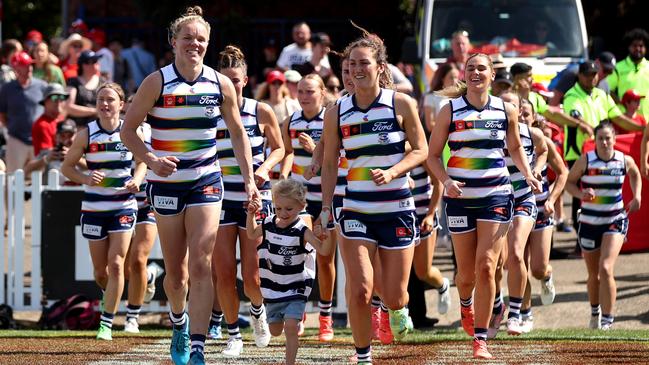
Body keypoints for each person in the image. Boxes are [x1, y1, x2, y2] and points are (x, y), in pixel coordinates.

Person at [120, 7, 259, 365]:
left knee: (201, 263)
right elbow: (127, 130)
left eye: (201, 39)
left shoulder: (220, 83)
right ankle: (179, 321)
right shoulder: (157, 82)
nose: (194, 44)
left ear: (207, 44)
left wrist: (249, 180)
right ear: (173, 42)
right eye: (188, 38)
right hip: (166, 185)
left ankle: (197, 345)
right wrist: (151, 161)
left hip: (206, 182)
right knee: (176, 274)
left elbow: (239, 133)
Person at [320, 28, 428, 364]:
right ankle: (363, 354)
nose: (356, 69)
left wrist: (394, 172)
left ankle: (395, 310)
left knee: (395, 295)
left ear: (380, 67)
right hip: (355, 208)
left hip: (396, 207)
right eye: (351, 64)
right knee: (360, 288)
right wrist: (326, 207)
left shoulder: (401, 103)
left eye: (364, 63)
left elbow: (423, 150)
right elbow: (328, 162)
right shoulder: (337, 111)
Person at [427, 53, 541, 359]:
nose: (475, 72)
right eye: (470, 68)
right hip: (461, 199)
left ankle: (481, 337)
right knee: (466, 276)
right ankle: (466, 304)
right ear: (465, 75)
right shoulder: (449, 110)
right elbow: (432, 155)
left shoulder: (506, 110)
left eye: (481, 68)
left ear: (491, 75)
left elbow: (515, 147)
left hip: (496, 196)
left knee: (487, 265)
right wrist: (446, 181)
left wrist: (528, 174)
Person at [209, 45, 284, 356]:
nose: (232, 84)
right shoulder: (210, 112)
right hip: (219, 197)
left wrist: (265, 168)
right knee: (223, 272)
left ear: (245, 80)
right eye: (225, 79)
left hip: (255, 196)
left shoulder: (260, 110)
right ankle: (232, 334)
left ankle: (257, 311)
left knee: (252, 277)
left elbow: (280, 148)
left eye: (236, 79)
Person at [61, 82, 144, 341]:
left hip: (123, 206)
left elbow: (143, 161)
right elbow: (67, 167)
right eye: (100, 100)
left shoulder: (130, 132)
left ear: (121, 104)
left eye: (110, 99)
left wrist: (137, 179)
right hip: (94, 208)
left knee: (117, 263)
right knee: (101, 272)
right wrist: (85, 178)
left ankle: (106, 323)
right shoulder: (86, 134)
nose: (105, 104)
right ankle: (111, 299)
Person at [245, 179, 332, 365]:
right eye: (278, 208)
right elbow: (251, 234)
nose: (283, 214)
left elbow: (323, 250)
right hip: (272, 288)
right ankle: (272, 319)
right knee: (276, 330)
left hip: (296, 288)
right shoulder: (268, 224)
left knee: (291, 327)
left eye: (289, 209)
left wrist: (327, 235)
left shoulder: (302, 231)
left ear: (302, 206)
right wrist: (251, 214)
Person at [565, 121, 641, 330]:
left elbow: (635, 173)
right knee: (594, 275)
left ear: (615, 140)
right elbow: (568, 182)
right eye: (601, 138)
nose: (605, 142)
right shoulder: (586, 161)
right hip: (589, 222)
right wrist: (581, 194)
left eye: (608, 138)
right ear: (595, 141)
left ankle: (607, 319)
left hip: (615, 220)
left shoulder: (623, 160)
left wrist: (637, 196)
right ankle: (595, 311)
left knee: (606, 268)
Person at [280, 73, 338, 342]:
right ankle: (298, 312)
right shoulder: (291, 120)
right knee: (298, 253)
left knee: (325, 258)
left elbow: (340, 157)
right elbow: (284, 150)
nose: (304, 96)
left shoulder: (331, 117)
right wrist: (282, 176)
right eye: (301, 91)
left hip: (327, 196)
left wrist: (315, 148)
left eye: (310, 91)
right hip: (300, 198)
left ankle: (325, 317)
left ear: (322, 93)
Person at [563, 60, 642, 235]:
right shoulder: (571, 95)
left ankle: (606, 231)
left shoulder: (602, 94)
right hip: (578, 152)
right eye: (587, 75)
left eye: (594, 75)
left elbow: (618, 118)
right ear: (580, 76)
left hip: (602, 150)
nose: (591, 78)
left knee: (602, 190)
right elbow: (575, 117)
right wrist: (586, 127)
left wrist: (643, 129)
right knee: (580, 194)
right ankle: (580, 236)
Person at [503, 97, 548, 336]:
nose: (506, 107)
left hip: (523, 199)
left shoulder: (532, 134)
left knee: (517, 252)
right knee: (495, 264)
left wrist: (537, 169)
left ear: (519, 109)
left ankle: (516, 314)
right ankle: (497, 308)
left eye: (511, 103)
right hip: (495, 203)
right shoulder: (490, 135)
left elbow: (543, 151)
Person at [520, 115, 568, 333]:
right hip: (516, 209)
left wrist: (551, 200)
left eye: (526, 113)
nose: (521, 117)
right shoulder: (504, 138)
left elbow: (563, 172)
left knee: (537, 268)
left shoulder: (542, 141)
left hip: (540, 210)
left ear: (533, 117)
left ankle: (546, 276)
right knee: (518, 262)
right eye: (519, 113)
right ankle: (525, 313)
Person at [122, 95, 159, 334]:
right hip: (122, 201)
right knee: (122, 267)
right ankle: (151, 275)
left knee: (137, 259)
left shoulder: (157, 130)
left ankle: (132, 317)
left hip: (148, 200)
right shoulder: (118, 130)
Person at [0, 51, 48, 173]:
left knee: (39, 180)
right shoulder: (7, 89)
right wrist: (11, 127)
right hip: (16, 139)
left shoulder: (42, 86)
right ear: (16, 68)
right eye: (25, 64)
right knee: (12, 179)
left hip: (38, 140)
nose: (29, 67)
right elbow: (2, 114)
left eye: (30, 64)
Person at [25, 119, 81, 186]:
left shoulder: (81, 153)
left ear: (76, 136)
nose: (66, 140)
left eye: (70, 136)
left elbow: (92, 167)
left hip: (77, 194)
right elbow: (27, 170)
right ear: (56, 137)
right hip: (51, 194)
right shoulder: (48, 153)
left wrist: (74, 158)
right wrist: (46, 159)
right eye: (62, 136)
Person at [607, 28, 649, 117]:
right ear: (629, 47)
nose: (638, 49)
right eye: (634, 45)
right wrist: (620, 103)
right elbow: (607, 89)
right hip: (627, 120)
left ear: (645, 48)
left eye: (641, 46)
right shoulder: (618, 68)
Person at [66, 50, 104, 126]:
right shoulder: (73, 82)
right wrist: (94, 111)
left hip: (99, 128)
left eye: (96, 61)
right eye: (93, 62)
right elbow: (69, 107)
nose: (96, 65)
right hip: (79, 128)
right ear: (83, 65)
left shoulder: (103, 82)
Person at [31, 83, 68, 156]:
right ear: (45, 102)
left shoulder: (62, 120)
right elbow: (47, 155)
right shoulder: (42, 125)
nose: (58, 101)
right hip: (49, 166)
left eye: (62, 97)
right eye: (54, 97)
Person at [423, 62, 459, 132]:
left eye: (456, 77)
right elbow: (430, 125)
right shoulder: (430, 97)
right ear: (442, 79)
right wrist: (452, 129)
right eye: (451, 77)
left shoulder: (460, 97)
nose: (455, 81)